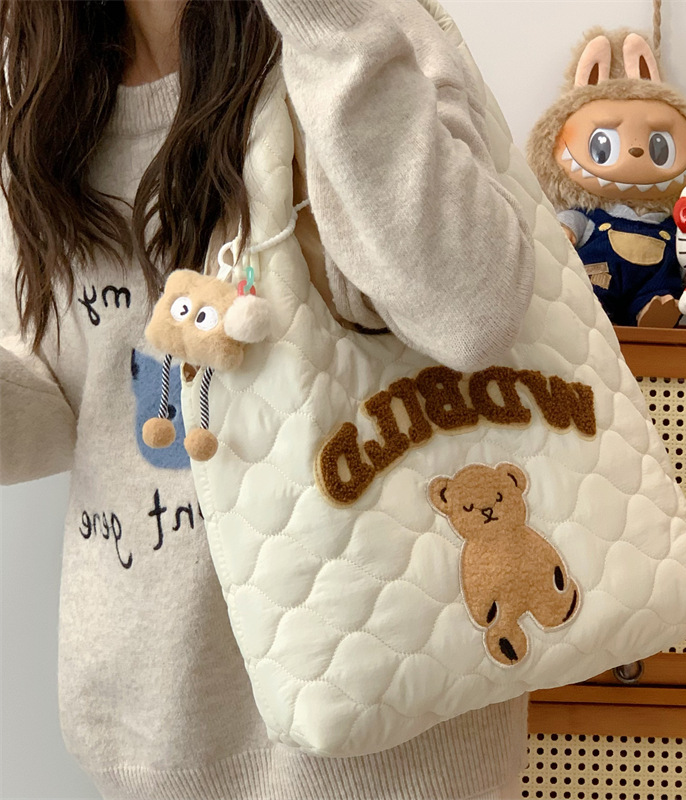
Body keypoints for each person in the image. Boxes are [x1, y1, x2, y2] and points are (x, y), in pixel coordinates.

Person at [0, 1, 535, 798]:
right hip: (154, 726)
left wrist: (324, 21)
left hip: (392, 737)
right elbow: (68, 402)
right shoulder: (41, 91)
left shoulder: (353, 26)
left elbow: (473, 313)